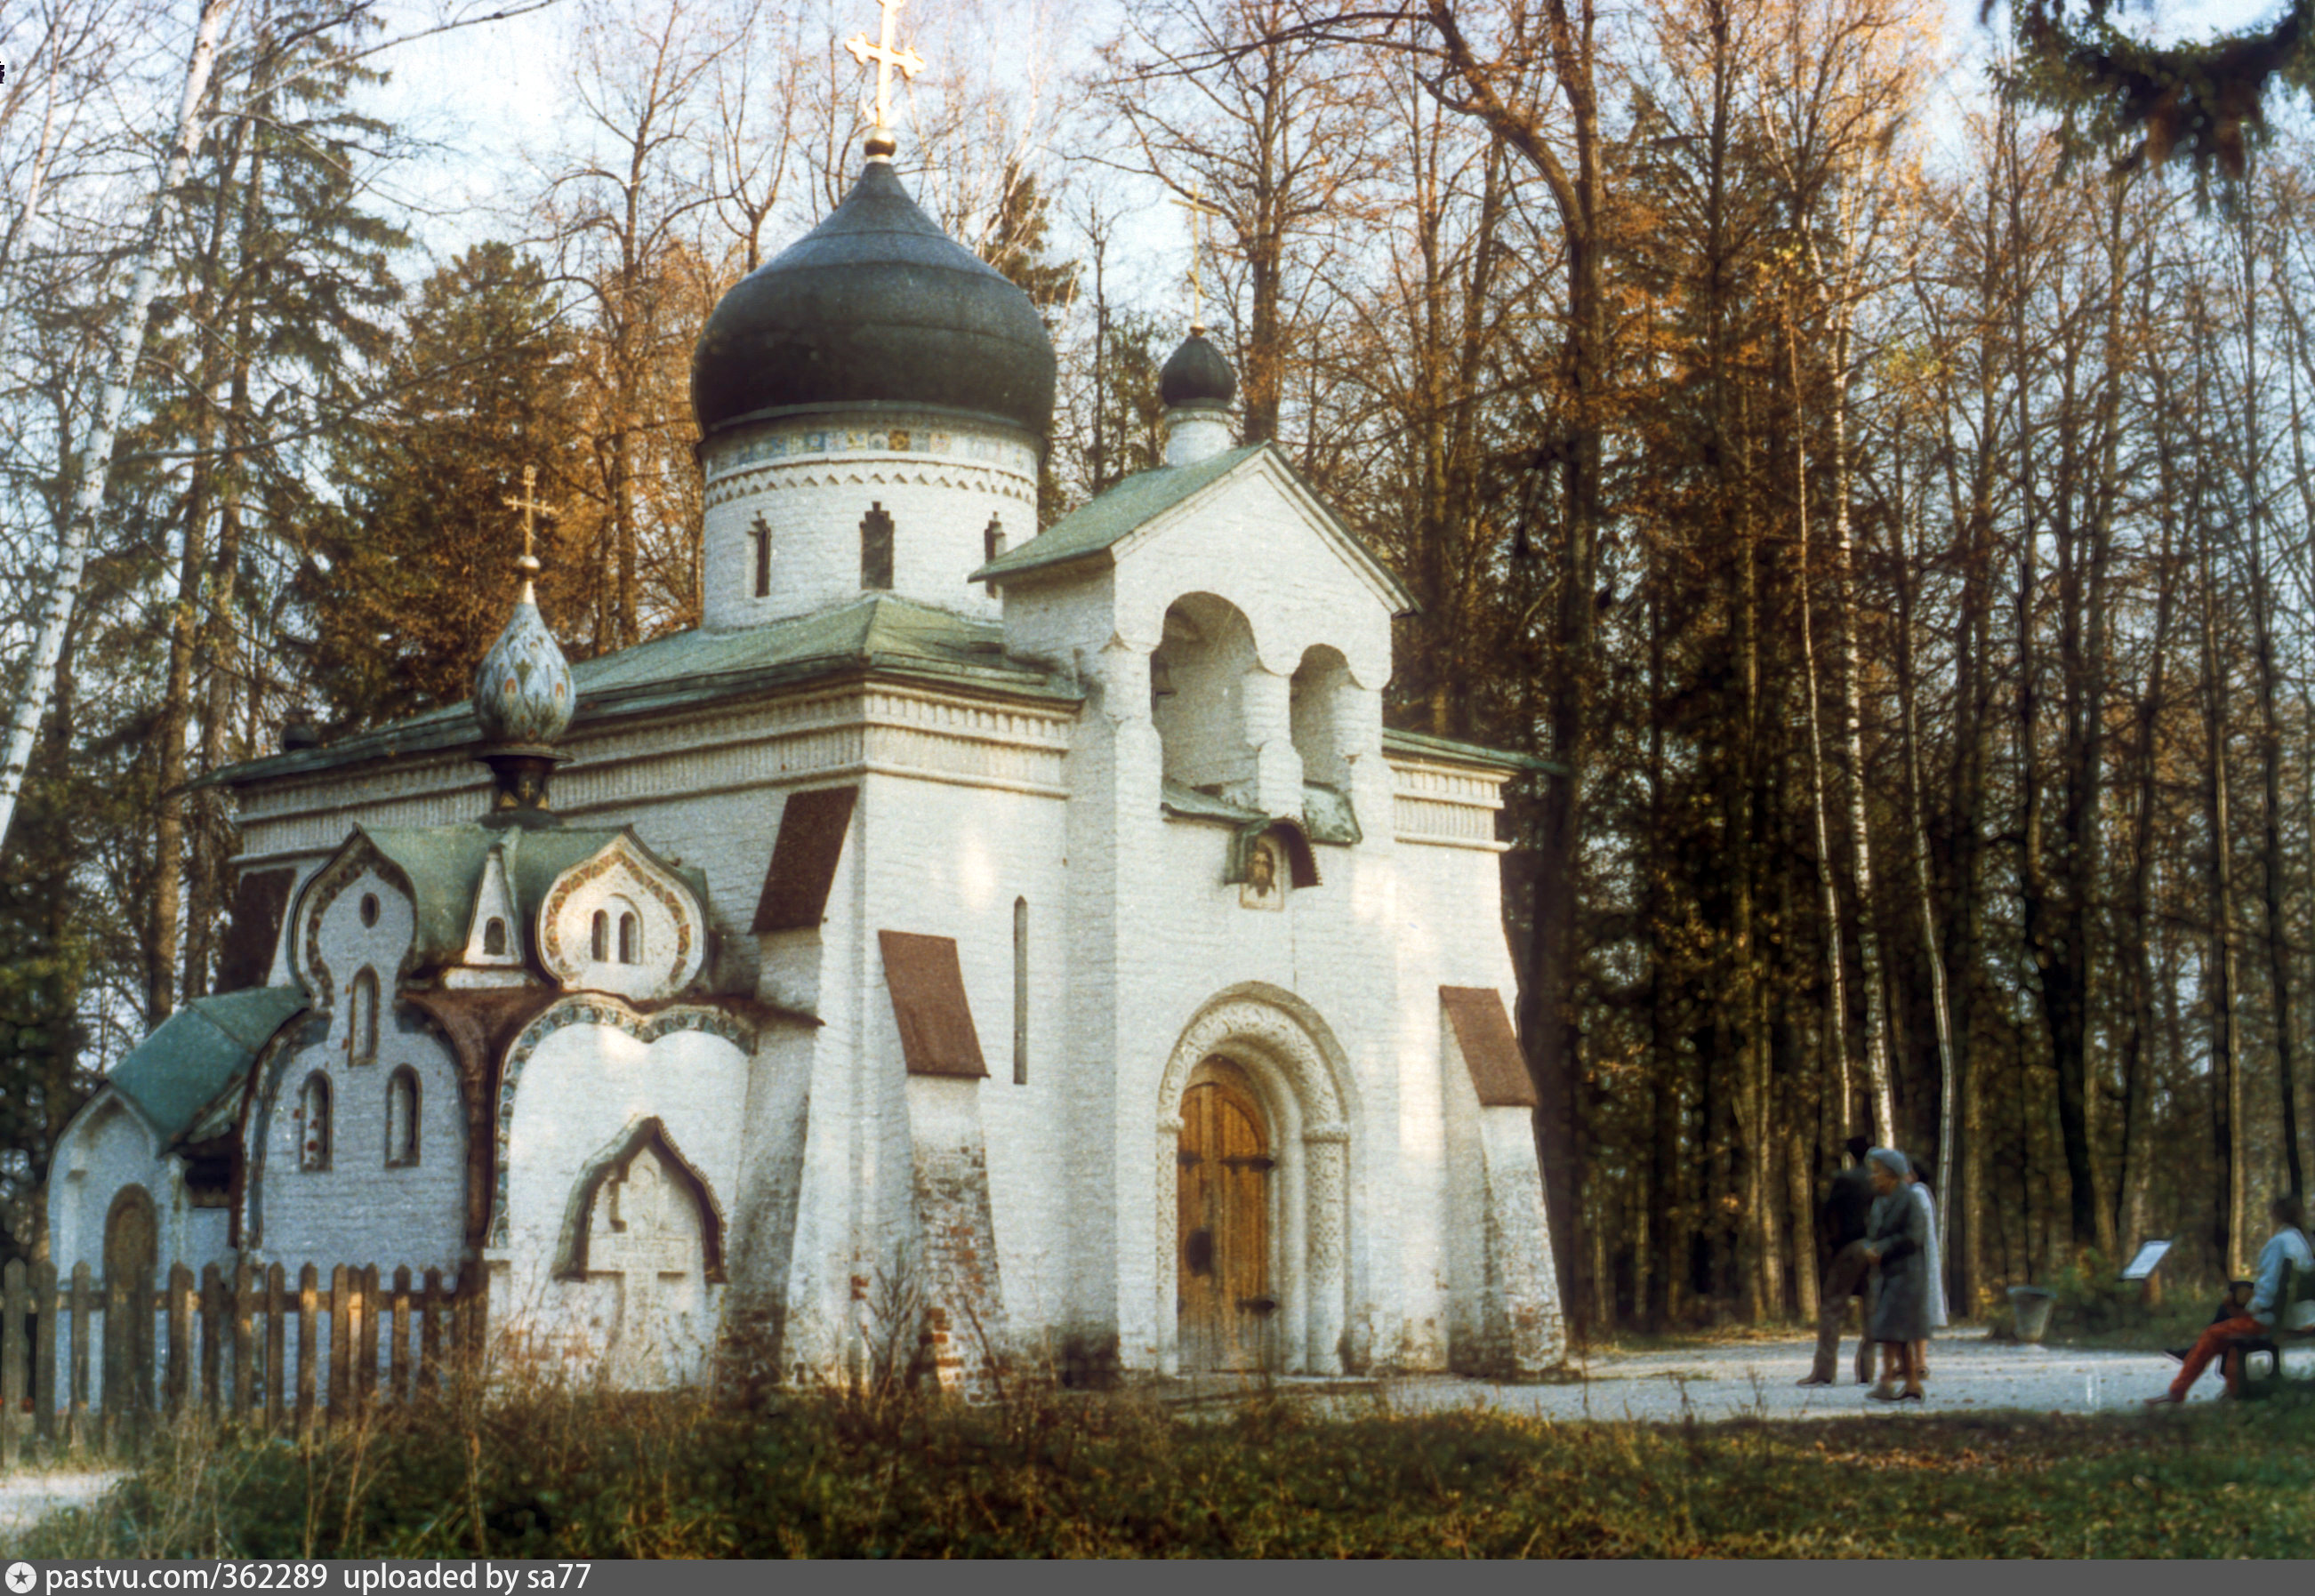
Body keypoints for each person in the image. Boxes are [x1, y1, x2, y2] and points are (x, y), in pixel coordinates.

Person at [2146, 1193, 2315, 1404]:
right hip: (2302, 1318)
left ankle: (2177, 1391)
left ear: (2277, 1215)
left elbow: (2269, 1289)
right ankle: (2234, 1389)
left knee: (2213, 1334)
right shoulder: (2302, 1241)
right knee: (2229, 1320)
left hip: (2276, 1320)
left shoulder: (2280, 1243)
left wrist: (2253, 1307)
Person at [1800, 1135, 1879, 1387]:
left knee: (1833, 1306)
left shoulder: (1844, 1179)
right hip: (1875, 1246)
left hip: (1849, 1246)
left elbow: (1828, 1213)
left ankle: (1824, 1371)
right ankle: (1867, 1370)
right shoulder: (1877, 1181)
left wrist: (1830, 1243)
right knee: (1872, 1308)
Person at [1861, 1147, 1929, 1401]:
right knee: (1891, 1330)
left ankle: (1906, 1382)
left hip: (1906, 1273)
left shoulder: (1910, 1200)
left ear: (1891, 1175)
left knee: (1897, 1330)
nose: (1872, 1177)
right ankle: (1899, 1383)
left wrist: (1885, 1247)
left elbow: (1914, 1236)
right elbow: (1874, 1233)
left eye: (1877, 1172)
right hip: (1888, 1273)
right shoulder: (1881, 1202)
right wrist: (1871, 1248)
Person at [1907, 1162, 1947, 1381]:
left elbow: (1915, 1231)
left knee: (1916, 1312)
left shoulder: (1917, 1194)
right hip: (1917, 1260)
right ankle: (1913, 1362)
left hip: (1916, 1261)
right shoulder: (1918, 1193)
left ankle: (1919, 1362)